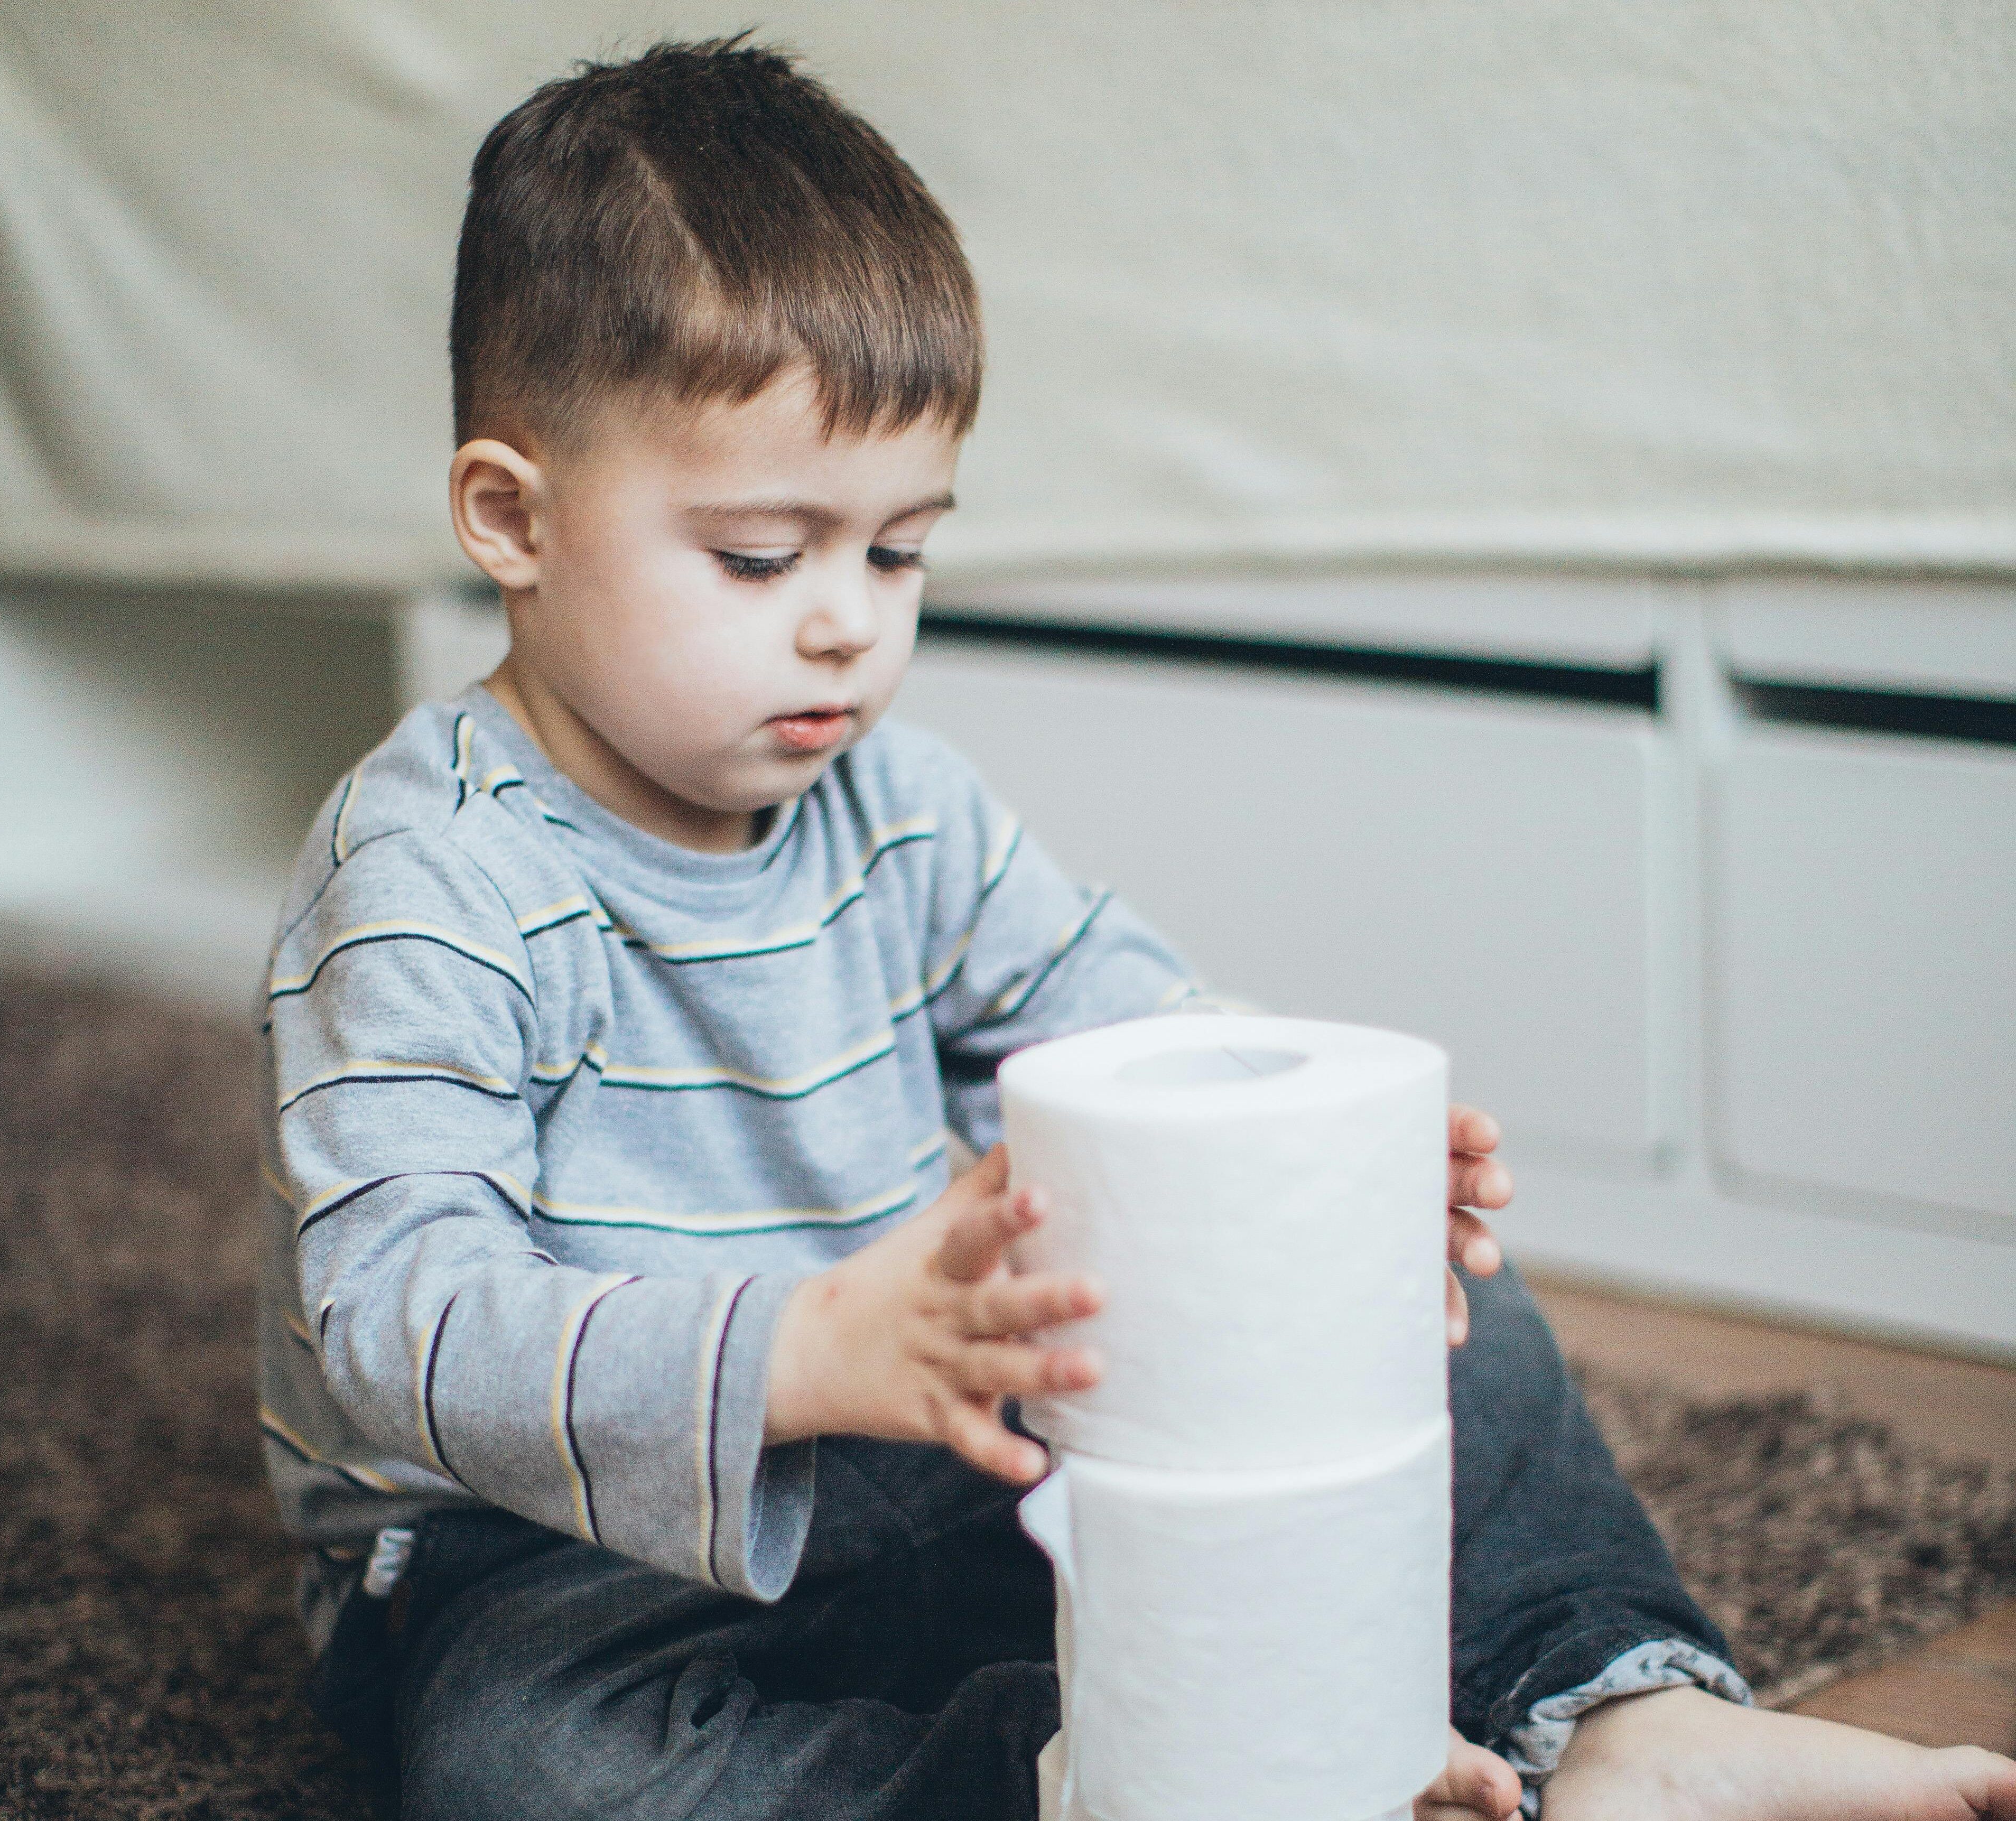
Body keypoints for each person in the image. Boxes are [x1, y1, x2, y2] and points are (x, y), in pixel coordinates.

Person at [257, 37, 2016, 1821]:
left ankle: (1614, 1705)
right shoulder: (432, 879)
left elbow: (1125, 1019)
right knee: (520, 1772)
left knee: (1443, 1326)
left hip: (928, 1438)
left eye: (899, 553)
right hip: (568, 1562)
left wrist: (1309, 1178)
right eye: (763, 558)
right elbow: (402, 1315)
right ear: (512, 519)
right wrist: (804, 1348)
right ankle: (1088, 1773)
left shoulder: (903, 805)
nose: (847, 629)